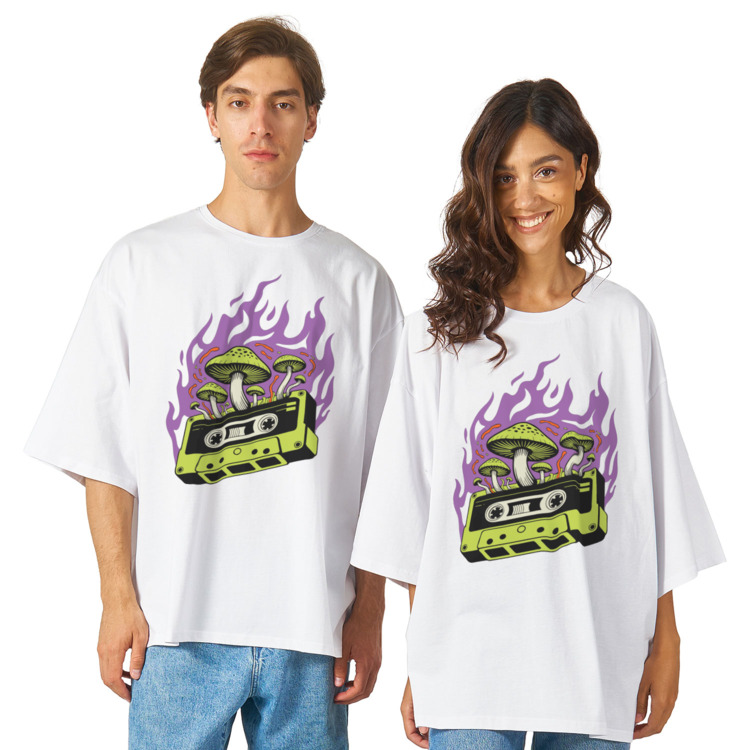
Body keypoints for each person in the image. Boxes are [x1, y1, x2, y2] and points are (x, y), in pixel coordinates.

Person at [25, 16, 400, 750]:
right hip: (174, 628)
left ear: (311, 120)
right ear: (211, 117)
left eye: (283, 103)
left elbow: (383, 475)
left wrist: (370, 610)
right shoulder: (143, 264)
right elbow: (102, 452)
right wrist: (116, 598)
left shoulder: (360, 283)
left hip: (312, 629)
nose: (261, 124)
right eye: (239, 101)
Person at [350, 79, 725, 749]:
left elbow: (653, 502)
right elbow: (411, 511)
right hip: (468, 668)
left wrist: (666, 639)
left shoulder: (621, 323)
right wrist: (425, 660)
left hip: (596, 657)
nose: (524, 198)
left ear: (581, 170)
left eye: (545, 171)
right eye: (504, 177)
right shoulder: (437, 334)